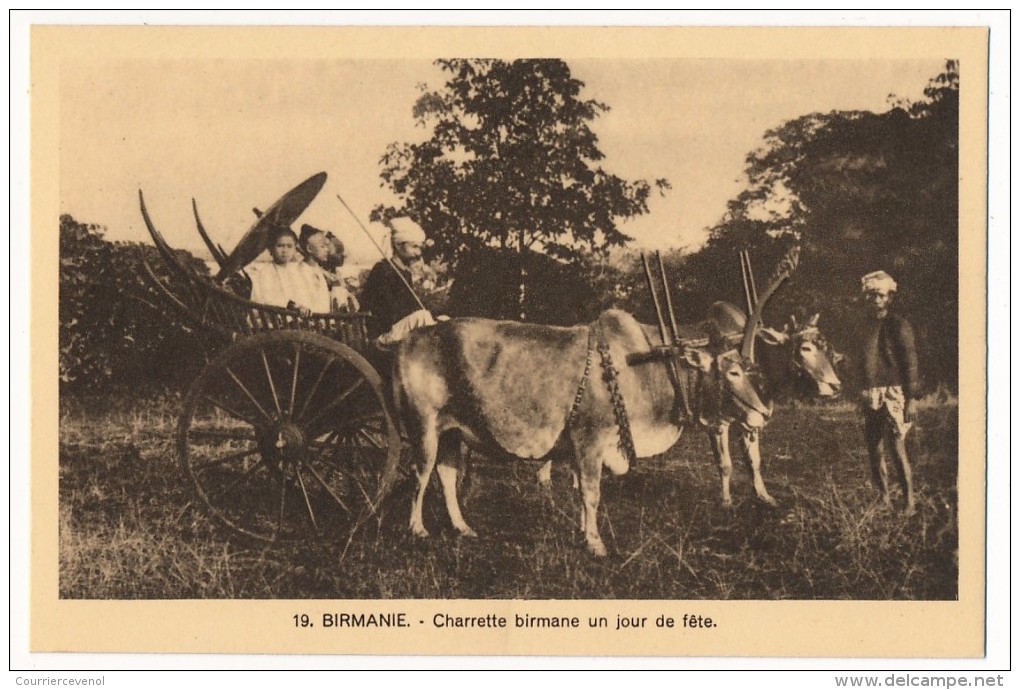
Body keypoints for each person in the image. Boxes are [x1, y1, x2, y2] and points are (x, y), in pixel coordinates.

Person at [859, 270, 920, 514]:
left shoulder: (899, 325)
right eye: (872, 296)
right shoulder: (863, 326)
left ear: (890, 298)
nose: (876, 301)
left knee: (896, 447)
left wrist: (911, 399)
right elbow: (861, 361)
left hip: (895, 392)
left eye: (881, 296)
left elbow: (910, 362)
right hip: (870, 392)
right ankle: (883, 498)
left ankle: (909, 502)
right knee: (874, 446)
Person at [360, 217, 438, 347]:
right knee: (423, 316)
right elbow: (384, 312)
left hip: (400, 328)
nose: (418, 252)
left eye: (419, 248)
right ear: (397, 245)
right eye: (414, 247)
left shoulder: (405, 273)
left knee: (442, 321)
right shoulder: (383, 270)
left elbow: (411, 306)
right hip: (382, 335)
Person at [248, 225, 330, 316]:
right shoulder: (266, 272)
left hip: (295, 318)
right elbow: (268, 298)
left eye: (289, 246)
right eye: (280, 246)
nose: (284, 251)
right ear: (271, 248)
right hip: (274, 319)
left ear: (295, 249)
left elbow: (305, 296)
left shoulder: (297, 271)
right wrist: (293, 305)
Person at [299, 224, 359, 312]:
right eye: (322, 246)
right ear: (309, 249)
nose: (327, 249)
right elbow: (310, 302)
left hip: (323, 316)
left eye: (326, 246)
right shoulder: (303, 271)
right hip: (315, 319)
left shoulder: (316, 268)